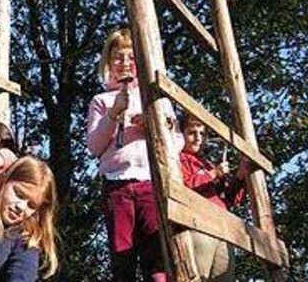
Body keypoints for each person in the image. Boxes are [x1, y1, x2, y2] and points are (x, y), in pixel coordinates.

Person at [86, 27, 184, 282]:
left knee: (157, 255)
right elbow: (94, 146)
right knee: (122, 256)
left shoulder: (156, 98)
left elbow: (177, 142)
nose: (125, 64)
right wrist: (113, 113)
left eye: (131, 57)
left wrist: (152, 127)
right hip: (116, 185)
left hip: (151, 182)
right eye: (118, 57)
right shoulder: (101, 100)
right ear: (108, 62)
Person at [179, 114, 248, 281]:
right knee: (198, 276)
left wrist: (239, 178)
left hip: (223, 228)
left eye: (202, 134)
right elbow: (184, 187)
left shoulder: (206, 164)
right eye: (192, 133)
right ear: (180, 135)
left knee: (224, 277)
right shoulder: (177, 158)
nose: (198, 139)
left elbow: (228, 198)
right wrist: (213, 174)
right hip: (199, 224)